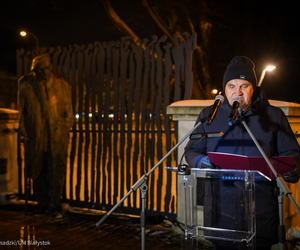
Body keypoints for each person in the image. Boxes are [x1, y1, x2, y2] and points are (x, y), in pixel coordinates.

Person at [184, 56, 300, 250]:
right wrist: (199, 161)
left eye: (244, 86)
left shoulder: (273, 116)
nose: (237, 92)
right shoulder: (209, 115)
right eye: (231, 86)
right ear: (224, 89)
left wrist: (290, 168)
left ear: (253, 88)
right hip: (220, 210)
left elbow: (293, 154)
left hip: (259, 210)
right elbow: (191, 149)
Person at [18, 54, 74, 217]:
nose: (42, 72)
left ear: (50, 68)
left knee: (55, 171)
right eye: (37, 70)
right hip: (37, 137)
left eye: (44, 69)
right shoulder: (26, 84)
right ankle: (41, 202)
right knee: (38, 170)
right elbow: (22, 111)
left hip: (57, 138)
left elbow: (69, 115)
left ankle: (53, 203)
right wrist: (24, 131)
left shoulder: (63, 86)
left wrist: (61, 128)